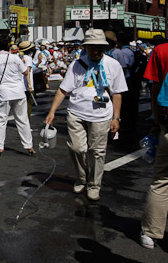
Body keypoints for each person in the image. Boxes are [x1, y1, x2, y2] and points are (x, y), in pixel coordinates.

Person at [45, 29, 126, 201]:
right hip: (76, 112)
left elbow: (117, 93)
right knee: (76, 148)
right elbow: (63, 89)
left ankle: (94, 185)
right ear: (86, 47)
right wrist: (52, 111)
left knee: (97, 152)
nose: (96, 51)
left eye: (99, 47)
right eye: (91, 47)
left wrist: (116, 118)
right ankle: (82, 177)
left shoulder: (113, 65)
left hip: (102, 115)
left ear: (105, 47)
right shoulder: (77, 64)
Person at [139, 39, 168, 249]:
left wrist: (157, 121)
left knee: (162, 181)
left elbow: (157, 90)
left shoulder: (161, 50)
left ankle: (150, 232)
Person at [0, 35, 34, 156]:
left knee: (1, 120)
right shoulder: (15, 58)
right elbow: (25, 72)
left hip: (4, 92)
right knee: (22, 119)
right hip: (19, 92)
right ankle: (29, 145)